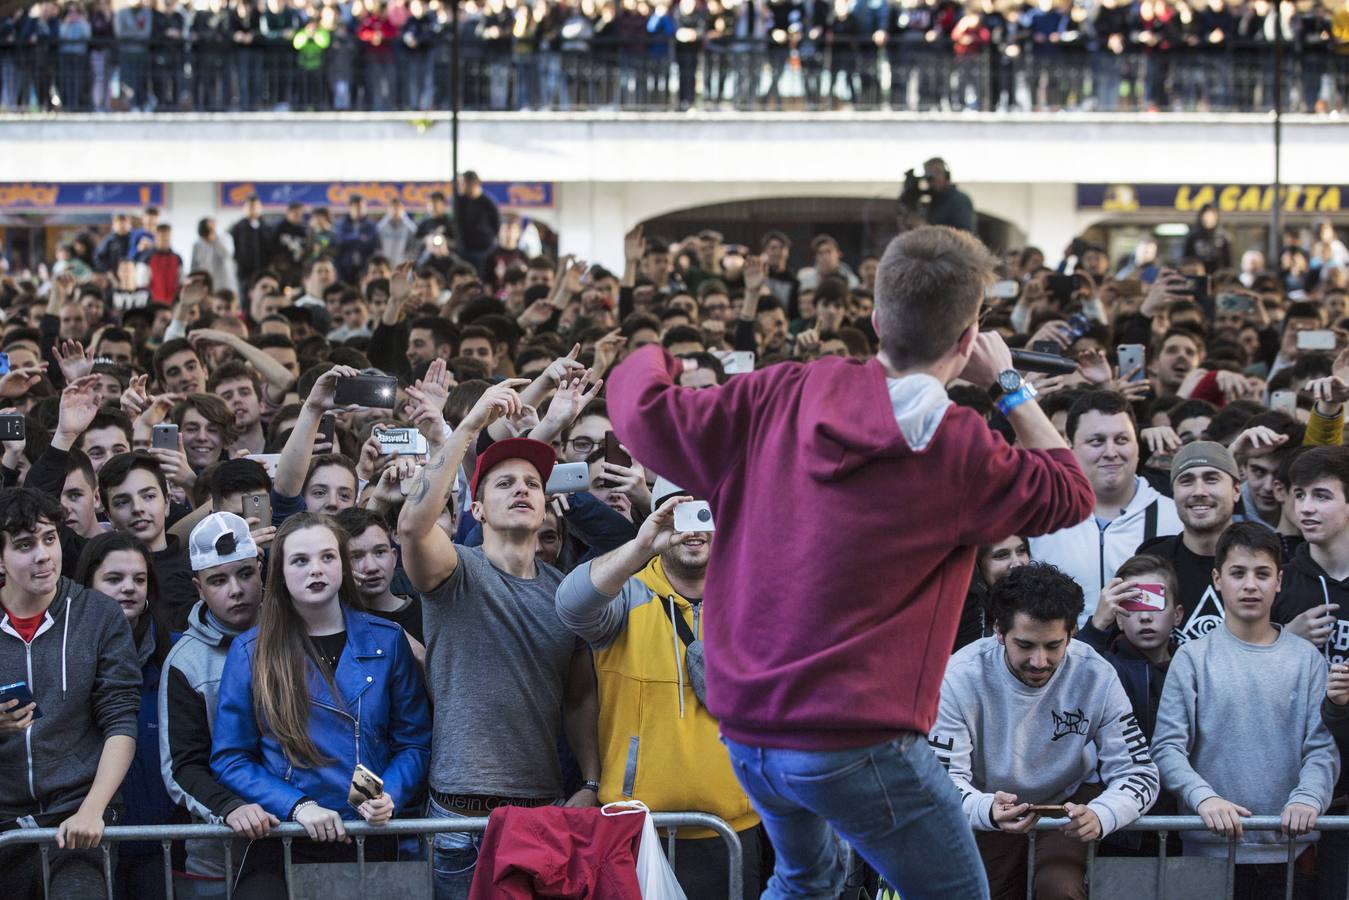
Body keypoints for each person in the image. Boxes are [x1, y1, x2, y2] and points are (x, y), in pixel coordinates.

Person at [605, 225, 1094, 897]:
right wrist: (1007, 383)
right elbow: (1069, 488)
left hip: (750, 733)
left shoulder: (776, 393)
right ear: (964, 341)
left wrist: (648, 349)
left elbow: (640, 408)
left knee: (809, 881)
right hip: (857, 741)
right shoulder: (956, 450)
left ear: (873, 318)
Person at [396, 360, 601, 900]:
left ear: (546, 503)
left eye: (532, 483)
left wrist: (592, 783)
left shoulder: (567, 591)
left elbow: (581, 697)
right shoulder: (455, 570)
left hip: (546, 811)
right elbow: (412, 525)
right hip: (459, 823)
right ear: (477, 509)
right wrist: (466, 428)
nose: (521, 489)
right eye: (504, 482)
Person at [556, 482, 762, 899]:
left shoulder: (754, 601)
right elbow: (571, 605)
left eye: (708, 511)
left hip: (736, 832)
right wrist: (641, 546)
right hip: (638, 832)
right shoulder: (628, 594)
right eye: (678, 512)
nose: (694, 527)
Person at [211, 512, 431, 899]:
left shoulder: (387, 639)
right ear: (278, 571)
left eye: (328, 557)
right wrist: (298, 806)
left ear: (343, 567)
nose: (316, 569)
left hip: (369, 830)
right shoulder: (251, 651)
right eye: (301, 560)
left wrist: (381, 795)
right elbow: (231, 757)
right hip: (287, 835)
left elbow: (413, 741)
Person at [929, 563, 1159, 900]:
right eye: (1025, 645)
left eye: (1053, 645)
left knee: (1059, 890)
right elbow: (942, 781)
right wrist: (986, 809)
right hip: (987, 803)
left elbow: (1139, 772)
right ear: (998, 631)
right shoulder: (959, 677)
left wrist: (1103, 813)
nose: (1039, 661)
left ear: (1072, 633)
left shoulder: (1096, 673)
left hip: (1068, 804)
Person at [1153, 523, 1339, 900]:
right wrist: (1204, 798)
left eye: (1262, 573)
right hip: (1208, 851)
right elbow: (1167, 748)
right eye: (1238, 573)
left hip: (1290, 850)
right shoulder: (1192, 657)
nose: (1250, 584)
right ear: (1218, 579)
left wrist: (1309, 798)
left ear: (1279, 581)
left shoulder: (1307, 660)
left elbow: (1321, 748)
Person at [0, 488, 140, 900]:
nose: (43, 555)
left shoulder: (97, 614)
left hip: (76, 818)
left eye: (49, 539)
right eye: (25, 545)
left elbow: (120, 719)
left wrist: (93, 809)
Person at [160, 512, 274, 893]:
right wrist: (229, 807)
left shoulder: (298, 633)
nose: (236, 589)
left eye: (245, 573)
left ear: (261, 570)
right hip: (220, 853)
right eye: (218, 580)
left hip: (306, 837)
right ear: (198, 587)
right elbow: (181, 766)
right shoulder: (185, 661)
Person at [74, 531, 174, 900]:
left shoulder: (176, 654)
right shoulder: (64, 656)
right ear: (86, 585)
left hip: (160, 841)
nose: (129, 588)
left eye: (139, 579)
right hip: (84, 839)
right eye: (113, 579)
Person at [1030, 390, 1182, 624]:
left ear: (1137, 446)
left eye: (1122, 440)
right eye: (1096, 441)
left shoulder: (1174, 518)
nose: (1111, 452)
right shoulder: (1040, 518)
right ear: (1069, 445)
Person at [1136, 441, 1241, 643]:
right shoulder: (1154, 561)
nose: (1198, 491)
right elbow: (1138, 645)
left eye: (1211, 479)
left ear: (1236, 490)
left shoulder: (1260, 561)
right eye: (1186, 481)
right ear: (1173, 492)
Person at [1274, 446, 1349, 664]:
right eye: (1299, 495)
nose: (1305, 508)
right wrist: (1285, 641)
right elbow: (1242, 676)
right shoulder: (1277, 583)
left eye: (1321, 496)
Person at [334, 507, 423, 646]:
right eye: (356, 556)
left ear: (394, 557)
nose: (371, 567)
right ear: (340, 564)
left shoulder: (424, 614)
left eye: (380, 552)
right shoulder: (336, 620)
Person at [954, 534, 1030, 652]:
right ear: (977, 565)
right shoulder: (963, 612)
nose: (1017, 564)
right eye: (1001, 555)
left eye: (1021, 551)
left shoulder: (1046, 597)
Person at [455, 171, 501, 276]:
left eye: (463, 183)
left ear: (473, 184)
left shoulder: (489, 203)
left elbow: (496, 226)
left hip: (484, 252)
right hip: (464, 251)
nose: (461, 187)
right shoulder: (459, 201)